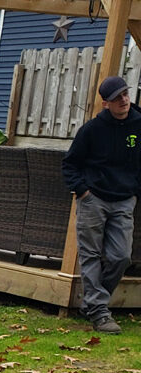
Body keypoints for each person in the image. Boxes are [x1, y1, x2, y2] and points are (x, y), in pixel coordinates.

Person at [62, 74, 141, 334]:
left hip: (123, 200)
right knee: (91, 255)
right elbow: (70, 164)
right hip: (93, 199)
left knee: (121, 256)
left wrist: (134, 191)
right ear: (105, 103)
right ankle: (99, 312)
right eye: (117, 97)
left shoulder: (139, 125)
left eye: (125, 94)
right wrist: (83, 192)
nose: (124, 100)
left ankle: (94, 301)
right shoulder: (92, 130)